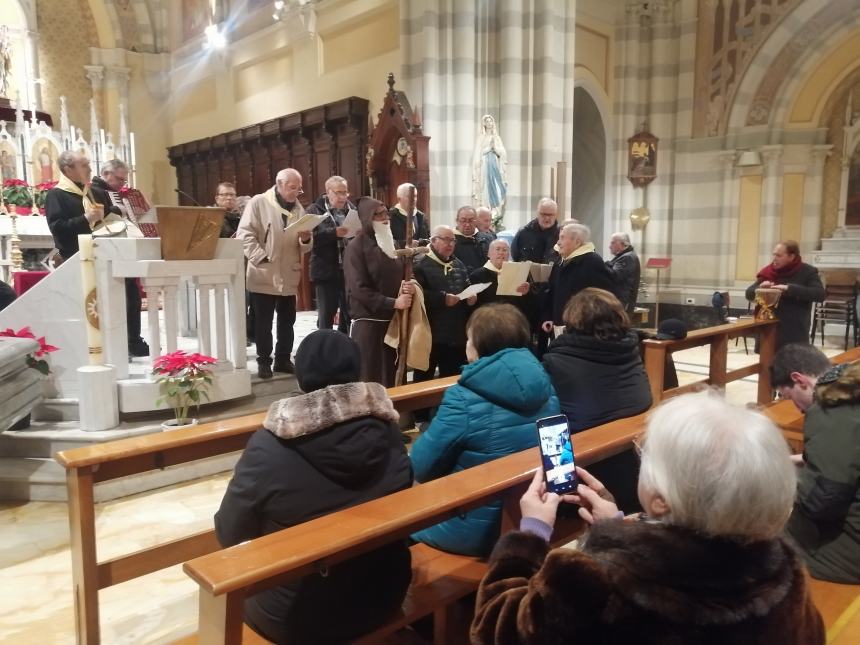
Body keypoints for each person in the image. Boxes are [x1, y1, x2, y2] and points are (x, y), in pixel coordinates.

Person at [471, 391, 824, 645]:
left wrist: (531, 534)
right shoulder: (782, 574)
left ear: (659, 501)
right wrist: (618, 528)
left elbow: (493, 628)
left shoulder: (595, 582)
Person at [214, 330, 413, 643]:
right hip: (385, 595)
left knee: (224, 591)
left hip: (300, 617)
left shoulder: (271, 444)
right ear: (356, 373)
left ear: (300, 377)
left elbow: (230, 531)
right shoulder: (387, 428)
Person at [411, 303, 560, 556]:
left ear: (480, 346)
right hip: (531, 515)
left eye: (469, 338)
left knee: (395, 503)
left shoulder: (463, 397)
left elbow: (420, 466)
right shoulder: (545, 386)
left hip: (470, 529)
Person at [542, 288, 651, 510]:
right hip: (639, 470)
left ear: (573, 319)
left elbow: (550, 428)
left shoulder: (557, 361)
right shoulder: (632, 350)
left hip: (586, 481)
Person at [771, 343, 860, 583]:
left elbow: (822, 500)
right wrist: (785, 461)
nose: (798, 409)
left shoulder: (830, 409)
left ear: (800, 380)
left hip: (852, 554)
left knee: (768, 547)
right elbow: (844, 458)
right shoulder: (851, 391)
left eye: (790, 397)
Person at [236, 168, 312, 379]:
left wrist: (305, 239)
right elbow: (245, 233)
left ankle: (283, 359)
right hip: (264, 272)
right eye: (292, 187)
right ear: (279, 184)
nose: (296, 192)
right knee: (263, 322)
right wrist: (260, 257)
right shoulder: (259, 202)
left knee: (287, 321)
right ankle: (263, 361)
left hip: (288, 273)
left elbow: (303, 246)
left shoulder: (298, 208)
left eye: (298, 188)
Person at [343, 197, 415, 386]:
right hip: (369, 325)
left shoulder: (392, 245)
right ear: (367, 218)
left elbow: (403, 275)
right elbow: (358, 288)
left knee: (392, 377)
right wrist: (392, 302)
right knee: (371, 378)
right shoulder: (355, 248)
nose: (385, 218)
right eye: (378, 214)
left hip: (394, 323)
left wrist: (408, 286)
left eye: (386, 213)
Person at [88, 159, 149, 357]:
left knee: (132, 294)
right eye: (119, 179)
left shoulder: (113, 193)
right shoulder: (95, 191)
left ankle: (133, 338)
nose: (123, 184)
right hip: (111, 251)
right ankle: (130, 340)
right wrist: (119, 209)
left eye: (124, 180)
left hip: (121, 250)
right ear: (106, 174)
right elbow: (101, 217)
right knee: (128, 296)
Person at [413, 225, 476, 381]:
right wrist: (442, 298)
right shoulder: (420, 264)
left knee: (452, 379)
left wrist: (471, 296)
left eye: (452, 240)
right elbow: (417, 296)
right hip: (430, 333)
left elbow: (466, 286)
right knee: (423, 379)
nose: (450, 244)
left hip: (455, 333)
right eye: (445, 239)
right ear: (433, 241)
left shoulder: (458, 264)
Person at [745, 240, 825, 348]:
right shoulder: (768, 271)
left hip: (794, 331)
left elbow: (819, 294)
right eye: (774, 255)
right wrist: (760, 288)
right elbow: (749, 293)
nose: (774, 258)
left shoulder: (807, 271)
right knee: (767, 364)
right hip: (768, 329)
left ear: (791, 256)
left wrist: (789, 289)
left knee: (792, 363)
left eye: (779, 255)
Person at [541, 223, 615, 334]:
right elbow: (552, 291)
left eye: (562, 238)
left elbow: (603, 297)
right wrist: (549, 316)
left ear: (577, 242)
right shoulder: (561, 261)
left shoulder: (592, 261)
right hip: (559, 325)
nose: (558, 242)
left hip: (583, 328)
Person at [306, 175, 356, 333]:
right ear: (328, 192)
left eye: (345, 192)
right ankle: (324, 351)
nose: (343, 197)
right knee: (327, 315)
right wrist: (334, 233)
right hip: (326, 270)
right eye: (338, 192)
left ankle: (343, 347)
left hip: (348, 270)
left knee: (348, 313)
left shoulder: (352, 209)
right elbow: (311, 239)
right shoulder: (314, 210)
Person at [511, 198, 560, 355]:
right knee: (525, 333)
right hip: (527, 293)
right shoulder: (524, 233)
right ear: (537, 213)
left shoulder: (561, 234)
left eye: (550, 215)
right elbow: (516, 256)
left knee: (546, 336)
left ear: (556, 214)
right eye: (543, 214)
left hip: (551, 294)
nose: (547, 218)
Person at [469, 239, 531, 313]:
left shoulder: (519, 273)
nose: (501, 253)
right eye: (497, 249)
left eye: (505, 250)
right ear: (489, 253)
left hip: (512, 318)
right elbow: (473, 307)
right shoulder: (476, 276)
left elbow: (527, 305)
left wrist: (526, 294)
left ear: (509, 254)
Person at [471, 114, 507, 215]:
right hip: (485, 166)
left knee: (496, 186)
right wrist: (488, 149)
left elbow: (503, 153)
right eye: (487, 121)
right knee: (485, 187)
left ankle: (495, 210)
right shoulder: (481, 138)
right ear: (484, 124)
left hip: (495, 165)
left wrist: (495, 148)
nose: (489, 123)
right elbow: (479, 153)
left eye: (490, 121)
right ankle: (486, 208)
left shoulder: (497, 138)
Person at [605, 231, 640, 315]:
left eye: (613, 243)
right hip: (619, 301)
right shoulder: (625, 256)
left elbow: (614, 276)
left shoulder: (627, 257)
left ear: (623, 244)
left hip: (622, 302)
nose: (609, 246)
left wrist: (603, 266)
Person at [389, 182, 429, 248]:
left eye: (415, 196)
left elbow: (428, 238)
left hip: (420, 255)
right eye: (409, 196)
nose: (413, 199)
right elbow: (388, 241)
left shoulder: (420, 216)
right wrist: (405, 243)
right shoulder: (391, 216)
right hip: (399, 256)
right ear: (399, 199)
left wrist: (419, 242)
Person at [452, 205, 489, 273]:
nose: (467, 224)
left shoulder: (486, 238)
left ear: (476, 221)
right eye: (463, 220)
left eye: (471, 221)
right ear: (457, 221)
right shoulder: (451, 241)